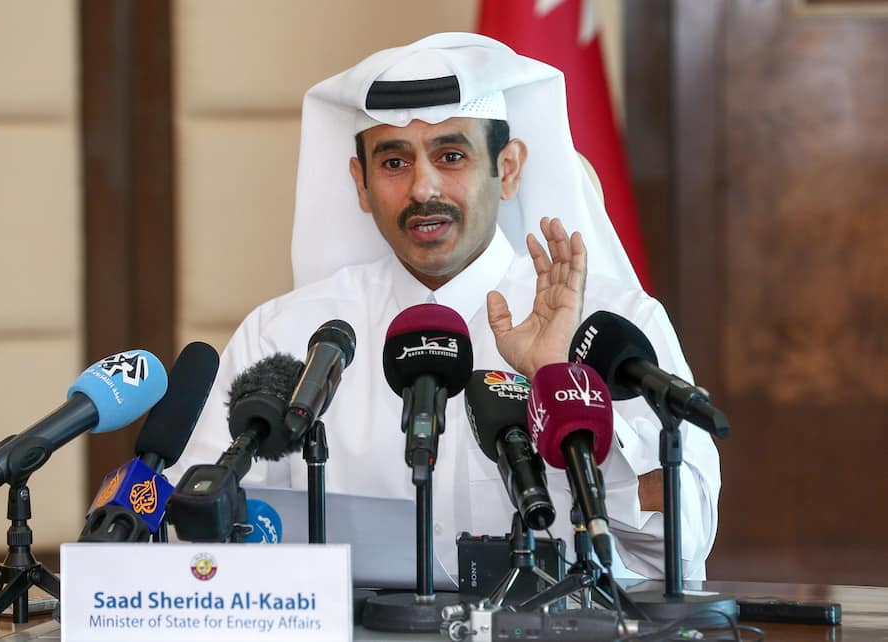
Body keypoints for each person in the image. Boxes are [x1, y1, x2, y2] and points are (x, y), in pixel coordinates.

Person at [169, 32, 720, 581]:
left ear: (507, 169)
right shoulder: (287, 335)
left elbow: (681, 545)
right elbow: (195, 537)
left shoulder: (609, 331)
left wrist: (560, 383)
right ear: (360, 184)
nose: (422, 188)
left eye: (451, 156)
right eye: (393, 163)